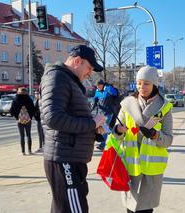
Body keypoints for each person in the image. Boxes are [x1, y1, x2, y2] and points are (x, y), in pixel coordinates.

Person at [40, 45, 106, 213]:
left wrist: (93, 128)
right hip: (64, 158)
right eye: (89, 68)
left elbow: (69, 117)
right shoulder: (57, 78)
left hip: (70, 156)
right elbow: (53, 118)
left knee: (64, 208)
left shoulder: (68, 80)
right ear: (78, 61)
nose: (90, 73)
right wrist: (91, 124)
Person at [113, 65, 173, 213]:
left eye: (146, 83)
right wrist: (118, 130)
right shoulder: (127, 104)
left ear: (154, 85)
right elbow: (115, 133)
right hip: (131, 164)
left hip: (151, 168)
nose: (142, 87)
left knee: (145, 209)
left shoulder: (164, 108)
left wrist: (155, 135)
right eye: (139, 83)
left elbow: (168, 140)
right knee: (130, 208)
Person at [92, 79, 120, 150]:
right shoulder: (97, 92)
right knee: (105, 128)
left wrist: (109, 88)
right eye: (97, 85)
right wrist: (91, 108)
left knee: (104, 127)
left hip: (109, 112)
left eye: (99, 85)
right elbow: (95, 101)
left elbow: (115, 93)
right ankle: (115, 138)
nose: (98, 87)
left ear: (103, 84)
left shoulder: (108, 89)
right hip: (101, 113)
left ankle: (103, 144)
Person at [10, 87, 35, 155]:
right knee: (28, 135)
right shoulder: (29, 99)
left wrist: (16, 117)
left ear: (19, 91)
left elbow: (12, 110)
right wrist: (31, 116)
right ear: (25, 92)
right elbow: (33, 109)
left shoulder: (16, 99)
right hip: (28, 119)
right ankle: (30, 151)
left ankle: (23, 152)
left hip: (20, 120)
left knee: (22, 136)